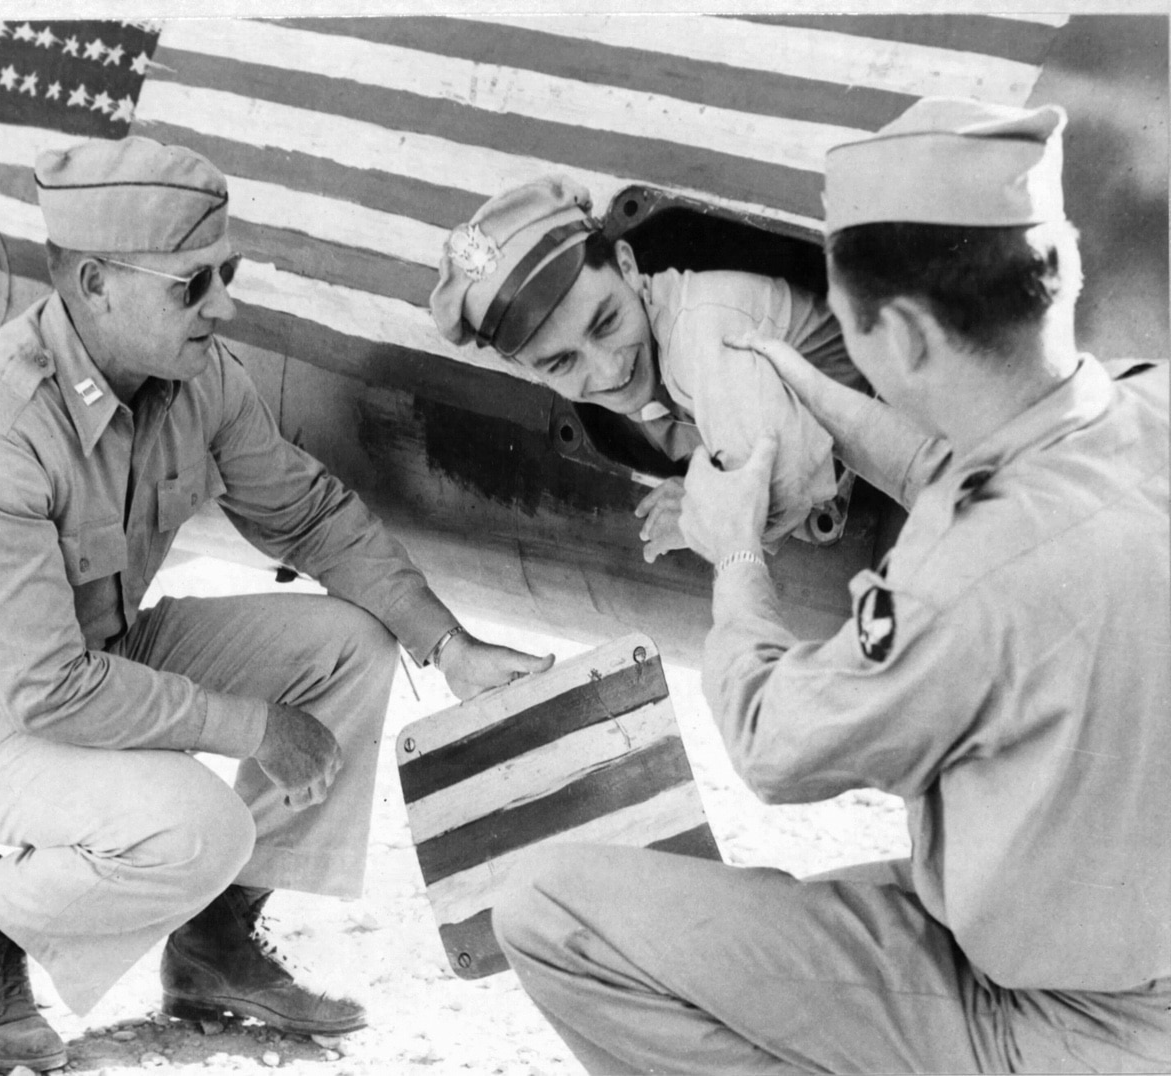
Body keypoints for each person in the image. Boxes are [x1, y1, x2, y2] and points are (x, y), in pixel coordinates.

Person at [491, 98, 1171, 1073]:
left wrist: (733, 555)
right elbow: (1007, 478)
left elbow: (775, 745)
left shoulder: (957, 580)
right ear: (1052, 268)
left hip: (1056, 1022)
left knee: (548, 910)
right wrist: (824, 400)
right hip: (1121, 953)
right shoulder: (1143, 405)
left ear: (888, 330)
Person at [0, 136, 551, 1074]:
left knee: (351, 644)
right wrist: (254, 727)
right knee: (198, 826)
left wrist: (451, 648)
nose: (223, 305)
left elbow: (307, 514)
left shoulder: (194, 371)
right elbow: (49, 691)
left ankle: (215, 944)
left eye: (226, 271)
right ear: (95, 283)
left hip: (104, 649)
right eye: (192, 284)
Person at [429, 176, 866, 556]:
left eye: (606, 322)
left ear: (627, 266)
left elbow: (789, 482)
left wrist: (700, 518)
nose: (608, 370)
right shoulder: (645, 366)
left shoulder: (698, 330)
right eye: (561, 362)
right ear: (531, 371)